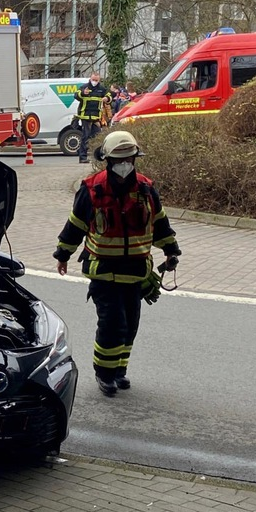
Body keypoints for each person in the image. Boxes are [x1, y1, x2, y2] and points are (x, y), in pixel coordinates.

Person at [53, 130, 181, 397]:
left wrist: (171, 250)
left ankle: (119, 370)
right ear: (108, 161)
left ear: (135, 159)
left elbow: (159, 222)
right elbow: (75, 225)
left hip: (135, 273)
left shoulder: (145, 189)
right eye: (119, 160)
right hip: (104, 273)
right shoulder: (92, 190)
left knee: (130, 325)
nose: (124, 165)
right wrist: (63, 254)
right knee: (113, 325)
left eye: (128, 159)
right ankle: (105, 374)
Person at [74, 73, 110, 163]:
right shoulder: (84, 87)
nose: (94, 82)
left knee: (97, 136)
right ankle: (83, 157)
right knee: (86, 136)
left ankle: (97, 156)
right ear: (90, 79)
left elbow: (109, 96)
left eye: (96, 80)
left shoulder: (101, 89)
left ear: (99, 80)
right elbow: (76, 95)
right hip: (85, 116)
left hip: (96, 117)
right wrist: (83, 93)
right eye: (93, 80)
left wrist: (107, 98)